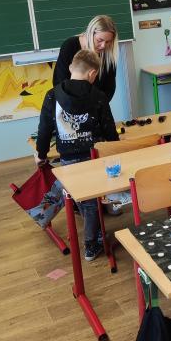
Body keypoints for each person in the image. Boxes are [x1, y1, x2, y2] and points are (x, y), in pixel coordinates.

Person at [36, 49, 119, 261]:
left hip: (68, 159)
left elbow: (44, 129)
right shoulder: (98, 97)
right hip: (93, 157)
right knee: (90, 202)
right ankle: (91, 244)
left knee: (84, 200)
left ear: (71, 68)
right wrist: (115, 149)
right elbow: (109, 130)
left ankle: (95, 235)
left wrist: (41, 154)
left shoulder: (52, 95)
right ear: (92, 73)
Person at [53, 15, 119, 102]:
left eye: (108, 42)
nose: (103, 45)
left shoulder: (108, 56)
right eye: (99, 40)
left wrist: (97, 105)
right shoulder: (70, 46)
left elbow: (109, 89)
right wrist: (74, 105)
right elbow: (59, 81)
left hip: (96, 105)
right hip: (69, 104)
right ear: (90, 33)